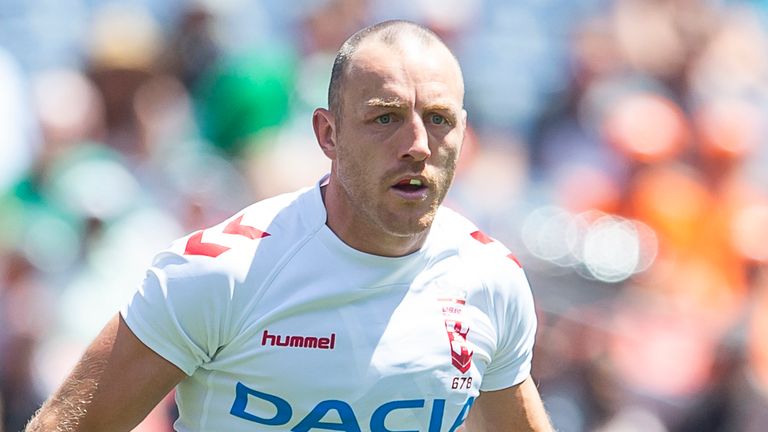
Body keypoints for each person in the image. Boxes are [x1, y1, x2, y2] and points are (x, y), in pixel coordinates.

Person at [25, 20, 554, 431]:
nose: (417, 145)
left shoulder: (492, 281)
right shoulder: (221, 273)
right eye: (385, 117)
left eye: (438, 119)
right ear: (328, 135)